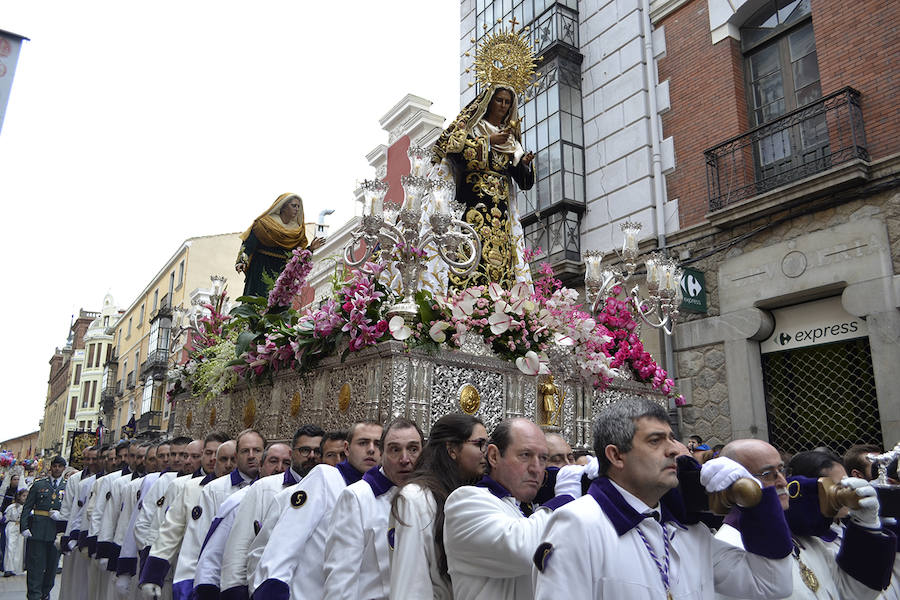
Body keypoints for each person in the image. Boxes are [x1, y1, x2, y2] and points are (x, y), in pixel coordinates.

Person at [533, 397, 795, 599]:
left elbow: (771, 584)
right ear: (616, 456)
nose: (673, 450)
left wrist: (756, 503)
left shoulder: (689, 532)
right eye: (655, 441)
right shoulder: (578, 524)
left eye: (671, 438)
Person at [715, 444, 896, 600]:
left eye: (782, 470)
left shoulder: (802, 535)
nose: (782, 482)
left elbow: (851, 593)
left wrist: (866, 526)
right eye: (767, 474)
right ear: (735, 485)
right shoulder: (728, 546)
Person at [249, 420, 382, 600]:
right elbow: (288, 538)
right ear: (347, 448)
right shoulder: (325, 477)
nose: (371, 449)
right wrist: (272, 587)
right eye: (363, 443)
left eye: (378, 444)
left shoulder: (382, 493)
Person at [443, 418, 573, 600]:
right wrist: (565, 499)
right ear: (494, 456)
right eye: (525, 455)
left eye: (543, 458)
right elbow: (525, 550)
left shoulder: (531, 510)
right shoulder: (465, 501)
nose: (537, 469)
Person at [428, 84, 535, 291]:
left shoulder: (511, 141)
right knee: (470, 250)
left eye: (507, 102)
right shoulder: (474, 129)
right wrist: (487, 141)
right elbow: (455, 153)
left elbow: (524, 182)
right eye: (499, 100)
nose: (503, 106)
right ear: (489, 102)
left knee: (503, 259)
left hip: (501, 214)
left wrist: (524, 164)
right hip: (472, 203)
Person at [389, 414, 487, 600]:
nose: (486, 451)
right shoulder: (414, 498)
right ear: (451, 449)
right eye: (479, 443)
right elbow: (410, 581)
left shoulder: (469, 495)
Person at [220, 425, 323, 600]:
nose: (312, 456)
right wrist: (235, 590)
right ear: (292, 453)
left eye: (317, 451)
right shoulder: (265, 487)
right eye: (305, 450)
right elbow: (240, 545)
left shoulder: (330, 490)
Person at [324, 419, 423, 599]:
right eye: (395, 449)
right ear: (381, 454)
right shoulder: (357, 497)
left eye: (413, 449)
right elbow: (341, 578)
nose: (405, 459)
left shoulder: (429, 497)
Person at [235, 193, 325, 298]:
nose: (297, 209)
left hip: (281, 273)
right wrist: (242, 261)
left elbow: (297, 257)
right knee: (255, 302)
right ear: (283, 206)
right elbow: (249, 243)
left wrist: (310, 248)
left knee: (276, 307)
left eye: (298, 206)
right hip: (260, 267)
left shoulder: (297, 232)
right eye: (293, 205)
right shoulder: (264, 224)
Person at [21, 455, 66, 600]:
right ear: (50, 467)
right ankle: (34, 595)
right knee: (36, 566)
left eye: (60, 466)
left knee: (52, 567)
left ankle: (45, 593)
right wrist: (24, 526)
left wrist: (62, 516)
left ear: (64, 469)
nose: (57, 469)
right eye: (55, 466)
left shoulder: (67, 486)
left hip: (55, 531)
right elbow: (27, 507)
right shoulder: (39, 485)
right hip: (38, 530)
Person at [3, 488, 27, 576]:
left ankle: (17, 568)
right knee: (10, 546)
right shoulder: (12, 507)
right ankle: (8, 568)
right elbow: (5, 518)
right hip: (12, 526)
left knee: (19, 548)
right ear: (19, 496)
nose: (25, 498)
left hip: (21, 527)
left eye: (26, 496)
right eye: (23, 496)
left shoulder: (27, 508)